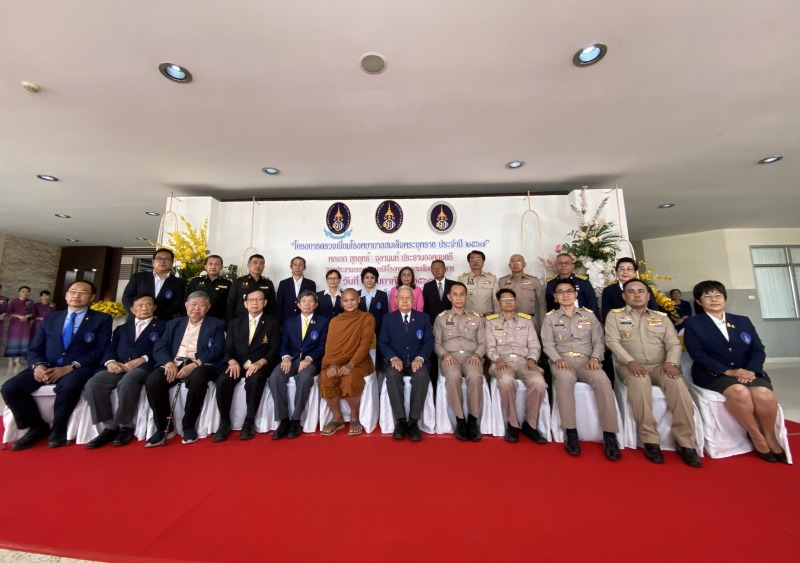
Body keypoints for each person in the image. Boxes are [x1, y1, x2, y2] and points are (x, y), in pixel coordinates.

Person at [683, 280, 787, 463]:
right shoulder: (694, 324)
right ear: (699, 301)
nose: (714, 299)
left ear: (725, 298)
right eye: (707, 296)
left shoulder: (742, 321)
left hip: (749, 371)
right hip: (712, 373)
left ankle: (769, 435)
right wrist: (728, 371)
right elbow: (697, 353)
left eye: (718, 295)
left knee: (764, 394)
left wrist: (751, 370)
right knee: (739, 392)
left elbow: (758, 349)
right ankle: (755, 435)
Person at [1, 281, 112, 450]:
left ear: (92, 297)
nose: (76, 295)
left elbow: (100, 349)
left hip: (78, 367)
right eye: (73, 291)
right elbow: (35, 347)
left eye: (82, 292)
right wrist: (38, 366)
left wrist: (71, 367)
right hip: (47, 365)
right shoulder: (51, 318)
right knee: (10, 388)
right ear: (66, 295)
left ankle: (59, 430)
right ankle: (37, 426)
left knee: (68, 387)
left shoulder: (101, 319)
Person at [605, 279, 702, 467]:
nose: (636, 294)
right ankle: (650, 439)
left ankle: (686, 442)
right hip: (629, 365)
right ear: (624, 296)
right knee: (639, 382)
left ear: (648, 296)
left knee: (677, 383)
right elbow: (612, 342)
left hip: (661, 366)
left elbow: (673, 343)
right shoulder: (615, 316)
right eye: (631, 291)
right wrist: (630, 361)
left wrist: (671, 363)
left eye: (641, 291)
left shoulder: (662, 317)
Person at [541, 280, 620, 460]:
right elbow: (547, 344)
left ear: (576, 294)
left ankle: (610, 435)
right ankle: (571, 433)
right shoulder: (550, 318)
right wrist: (558, 359)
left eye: (569, 291)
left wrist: (595, 358)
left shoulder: (589, 316)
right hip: (562, 361)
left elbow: (599, 341)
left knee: (602, 381)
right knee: (564, 380)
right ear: (555, 296)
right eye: (560, 292)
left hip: (587, 361)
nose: (565, 295)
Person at [83, 294, 166, 448]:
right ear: (132, 310)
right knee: (94, 383)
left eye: (148, 305)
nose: (144, 308)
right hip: (118, 366)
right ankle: (109, 426)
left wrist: (143, 359)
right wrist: (110, 362)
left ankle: (125, 425)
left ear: (154, 308)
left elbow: (163, 349)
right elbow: (110, 348)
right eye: (140, 305)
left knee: (128, 381)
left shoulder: (163, 326)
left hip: (144, 367)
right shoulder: (122, 328)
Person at [144, 291, 225, 446]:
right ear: (186, 306)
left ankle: (188, 425)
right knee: (153, 381)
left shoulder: (216, 324)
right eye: (193, 304)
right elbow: (160, 346)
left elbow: (217, 349)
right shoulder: (174, 323)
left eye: (201, 305)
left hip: (200, 363)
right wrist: (168, 363)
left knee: (198, 380)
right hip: (174, 362)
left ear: (207, 308)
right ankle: (163, 427)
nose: (196, 308)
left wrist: (195, 364)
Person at [214, 288, 281, 442]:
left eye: (259, 299)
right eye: (251, 300)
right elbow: (228, 349)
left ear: (265, 303)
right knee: (224, 380)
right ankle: (224, 422)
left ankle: (249, 420)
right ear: (245, 304)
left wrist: (260, 362)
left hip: (260, 364)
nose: (255, 303)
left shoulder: (272, 322)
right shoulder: (235, 323)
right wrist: (231, 361)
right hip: (236, 363)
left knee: (256, 379)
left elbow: (274, 349)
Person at [485, 289, 548, 444]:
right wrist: (497, 359)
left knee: (539, 383)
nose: (508, 302)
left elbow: (534, 345)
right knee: (506, 382)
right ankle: (513, 423)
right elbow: (489, 347)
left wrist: (532, 360)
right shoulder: (491, 322)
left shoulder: (526, 321)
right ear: (498, 303)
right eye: (504, 299)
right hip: (502, 362)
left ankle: (530, 424)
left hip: (525, 362)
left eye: (511, 299)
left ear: (516, 302)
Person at [269, 290, 328, 439]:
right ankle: (283, 420)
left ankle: (296, 420)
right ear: (298, 304)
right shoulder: (289, 321)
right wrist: (286, 357)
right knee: (275, 376)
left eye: (310, 301)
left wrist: (308, 359)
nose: (307, 304)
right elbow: (284, 344)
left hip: (312, 361)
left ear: (316, 304)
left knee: (304, 378)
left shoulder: (323, 322)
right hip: (292, 359)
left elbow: (322, 346)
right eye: (304, 301)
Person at [379, 287, 434, 441]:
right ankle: (401, 421)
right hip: (397, 362)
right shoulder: (388, 319)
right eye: (401, 298)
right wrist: (393, 358)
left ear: (413, 300)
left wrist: (420, 358)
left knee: (422, 375)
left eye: (407, 298)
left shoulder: (423, 318)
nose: (404, 301)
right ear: (395, 301)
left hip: (417, 362)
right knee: (391, 374)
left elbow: (429, 341)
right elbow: (383, 343)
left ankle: (414, 422)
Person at [319, 288, 375, 436]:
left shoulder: (366, 318)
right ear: (341, 302)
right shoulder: (335, 321)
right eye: (346, 300)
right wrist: (331, 364)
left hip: (359, 361)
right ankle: (337, 418)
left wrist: (351, 364)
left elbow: (365, 344)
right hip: (335, 360)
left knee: (350, 378)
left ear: (359, 300)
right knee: (326, 377)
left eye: (352, 300)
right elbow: (329, 346)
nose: (349, 303)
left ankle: (354, 416)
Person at [433, 282, 485, 441]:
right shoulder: (441, 318)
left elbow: (483, 343)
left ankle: (473, 420)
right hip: (450, 357)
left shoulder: (476, 318)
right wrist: (445, 355)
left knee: (475, 377)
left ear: (466, 296)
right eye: (455, 294)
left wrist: (477, 355)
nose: (458, 298)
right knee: (453, 376)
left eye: (462, 294)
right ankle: (460, 420)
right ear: (449, 297)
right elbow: (436, 343)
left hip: (472, 357)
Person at [122, 248, 186, 322]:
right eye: (159, 259)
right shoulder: (138, 277)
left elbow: (176, 304)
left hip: (162, 322)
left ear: (172, 263)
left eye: (167, 259)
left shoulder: (178, 282)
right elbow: (127, 297)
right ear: (153, 262)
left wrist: (157, 316)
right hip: (136, 319)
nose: (162, 262)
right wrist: (136, 312)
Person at [600, 257, 656, 325]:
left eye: (629, 269)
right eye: (621, 269)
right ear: (616, 272)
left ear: (635, 273)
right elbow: (606, 315)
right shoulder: (608, 291)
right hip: (619, 328)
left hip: (645, 326)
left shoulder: (646, 289)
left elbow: (654, 311)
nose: (625, 272)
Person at [498, 254, 546, 331]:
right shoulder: (502, 281)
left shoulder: (534, 281)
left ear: (524, 265)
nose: (516, 264)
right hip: (507, 321)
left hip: (529, 320)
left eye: (519, 261)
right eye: (513, 261)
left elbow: (542, 303)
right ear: (509, 265)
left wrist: (543, 324)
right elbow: (498, 303)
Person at [545, 253, 598, 318]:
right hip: (558, 320)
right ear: (555, 266)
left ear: (573, 266)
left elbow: (592, 304)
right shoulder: (551, 283)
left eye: (567, 263)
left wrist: (594, 321)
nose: (563, 265)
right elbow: (549, 306)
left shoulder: (583, 282)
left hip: (582, 319)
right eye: (560, 263)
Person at [227, 253, 276, 321]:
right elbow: (230, 305)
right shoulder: (238, 282)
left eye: (261, 263)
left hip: (262, 323)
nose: (258, 265)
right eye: (255, 262)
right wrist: (229, 325)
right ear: (248, 265)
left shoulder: (268, 283)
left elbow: (272, 306)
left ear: (264, 267)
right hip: (241, 322)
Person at [187, 254, 231, 322]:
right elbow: (187, 300)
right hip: (196, 317)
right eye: (210, 264)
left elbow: (229, 305)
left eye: (217, 264)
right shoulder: (196, 281)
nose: (213, 267)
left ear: (221, 267)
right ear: (205, 266)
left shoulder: (227, 284)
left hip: (217, 319)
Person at [458, 250, 499, 316]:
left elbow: (496, 300)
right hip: (469, 318)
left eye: (479, 259)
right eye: (472, 259)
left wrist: (498, 317)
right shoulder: (462, 279)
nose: (476, 261)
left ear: (483, 262)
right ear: (469, 262)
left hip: (488, 318)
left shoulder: (492, 278)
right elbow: (459, 300)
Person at [275, 256, 316, 323]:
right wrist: (278, 322)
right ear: (291, 267)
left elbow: (313, 303)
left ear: (304, 268)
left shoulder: (311, 284)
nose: (297, 267)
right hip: (287, 319)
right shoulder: (283, 283)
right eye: (295, 264)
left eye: (300, 264)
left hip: (305, 319)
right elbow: (279, 305)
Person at [4, 286, 34, 366]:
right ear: (19, 292)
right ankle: (10, 359)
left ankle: (18, 359)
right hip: (15, 324)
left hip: (25, 325)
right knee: (12, 341)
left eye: (27, 291)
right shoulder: (14, 301)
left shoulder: (30, 302)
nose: (25, 293)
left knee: (23, 341)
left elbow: (33, 313)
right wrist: (18, 316)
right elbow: (8, 313)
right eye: (23, 291)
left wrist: (27, 316)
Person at [358, 266, 389, 337]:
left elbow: (385, 315)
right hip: (359, 330)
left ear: (376, 280)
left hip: (378, 330)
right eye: (367, 277)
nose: (369, 280)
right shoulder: (356, 294)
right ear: (362, 279)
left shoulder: (382, 295)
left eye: (372, 277)